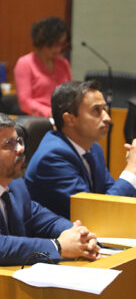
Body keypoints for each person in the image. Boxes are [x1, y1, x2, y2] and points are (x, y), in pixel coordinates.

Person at [0, 112, 99, 266]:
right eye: (9, 144)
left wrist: (78, 234)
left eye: (19, 141)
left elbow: (44, 220)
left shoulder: (16, 185)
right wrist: (58, 246)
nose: (20, 149)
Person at [25, 81, 136, 218]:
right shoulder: (52, 158)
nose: (107, 118)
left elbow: (113, 198)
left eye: (104, 109)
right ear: (70, 119)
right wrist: (131, 170)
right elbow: (94, 213)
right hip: (58, 236)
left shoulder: (94, 149)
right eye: (96, 110)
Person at [14, 16, 71, 117]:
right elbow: (24, 101)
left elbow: (71, 93)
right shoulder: (25, 63)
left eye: (62, 44)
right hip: (38, 120)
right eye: (54, 44)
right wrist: (48, 112)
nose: (58, 49)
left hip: (62, 117)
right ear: (42, 41)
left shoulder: (63, 63)